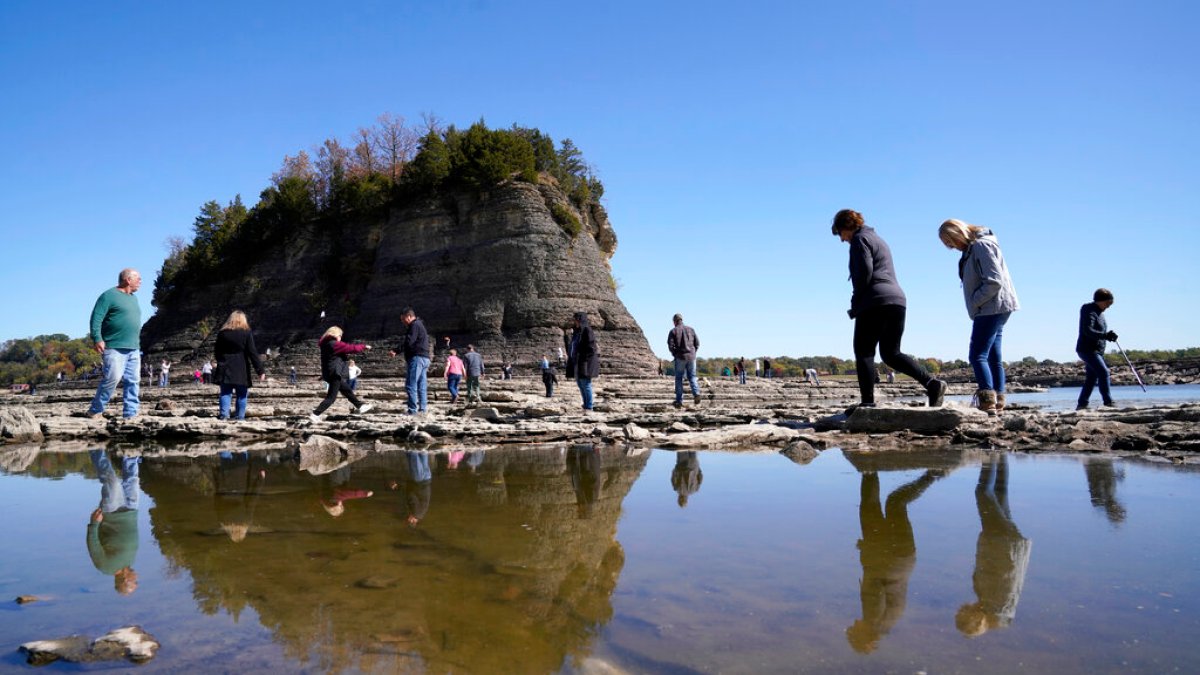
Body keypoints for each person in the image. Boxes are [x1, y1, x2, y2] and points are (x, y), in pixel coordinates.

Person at [832, 209, 947, 409]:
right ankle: (932, 383)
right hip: (897, 300)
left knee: (864, 352)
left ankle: (867, 404)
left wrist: (856, 301)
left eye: (841, 234)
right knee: (891, 353)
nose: (842, 240)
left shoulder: (860, 240)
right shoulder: (879, 239)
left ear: (847, 226)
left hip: (875, 301)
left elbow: (864, 274)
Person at [846, 468, 945, 654]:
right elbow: (875, 586)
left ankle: (929, 476)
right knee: (876, 505)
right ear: (861, 633)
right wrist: (867, 552)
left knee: (895, 504)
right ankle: (870, 468)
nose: (853, 623)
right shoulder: (873, 618)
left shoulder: (886, 625)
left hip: (904, 558)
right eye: (853, 628)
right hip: (887, 557)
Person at [939, 219, 1021, 416]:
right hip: (996, 306)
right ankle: (998, 400)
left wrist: (975, 301)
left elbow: (994, 281)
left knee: (977, 355)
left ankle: (987, 401)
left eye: (951, 242)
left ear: (958, 234)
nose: (951, 247)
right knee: (993, 355)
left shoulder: (981, 246)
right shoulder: (975, 248)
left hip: (991, 306)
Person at [956, 455, 1032, 637]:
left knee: (999, 492)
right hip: (1001, 542)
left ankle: (1000, 452)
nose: (964, 606)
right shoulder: (995, 603)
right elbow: (1001, 569)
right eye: (964, 610)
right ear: (976, 619)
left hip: (1009, 545)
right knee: (983, 493)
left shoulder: (996, 607)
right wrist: (992, 538)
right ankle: (989, 454)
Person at [86, 269, 143, 420]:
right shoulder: (108, 296)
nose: (141, 281)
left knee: (133, 380)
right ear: (127, 280)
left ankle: (130, 412)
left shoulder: (134, 298)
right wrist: (97, 338)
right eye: (138, 278)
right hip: (113, 346)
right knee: (113, 378)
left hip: (134, 347)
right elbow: (96, 318)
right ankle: (95, 409)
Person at [87, 449, 140, 595]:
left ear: (125, 580)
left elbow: (93, 545)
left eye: (135, 581)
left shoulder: (105, 567)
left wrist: (94, 524)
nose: (137, 577)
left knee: (112, 481)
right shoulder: (128, 562)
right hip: (131, 510)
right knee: (133, 478)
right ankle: (131, 449)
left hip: (112, 512)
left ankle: (95, 447)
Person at [310, 326, 373, 423]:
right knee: (331, 397)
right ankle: (315, 414)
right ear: (336, 334)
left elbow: (327, 361)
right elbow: (350, 348)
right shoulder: (334, 344)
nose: (340, 337)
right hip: (335, 373)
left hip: (331, 373)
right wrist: (364, 347)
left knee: (347, 390)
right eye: (340, 335)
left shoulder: (325, 345)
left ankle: (360, 406)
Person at [213, 310, 266, 421]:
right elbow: (252, 352)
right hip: (241, 367)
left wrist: (221, 361)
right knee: (242, 394)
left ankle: (224, 416)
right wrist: (260, 370)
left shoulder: (222, 333)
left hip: (225, 366)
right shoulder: (246, 333)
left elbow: (217, 351)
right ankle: (240, 417)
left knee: (225, 393)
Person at [1076, 288, 1119, 410]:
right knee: (1104, 372)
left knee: (1092, 377)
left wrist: (1109, 336)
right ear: (1100, 300)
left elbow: (1100, 333)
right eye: (1108, 303)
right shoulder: (1088, 309)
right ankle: (1108, 402)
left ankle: (1082, 404)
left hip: (1097, 351)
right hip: (1086, 349)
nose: (1109, 306)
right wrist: (1105, 335)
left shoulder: (1101, 313)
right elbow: (1087, 330)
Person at [389, 307, 430, 415]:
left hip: (417, 358)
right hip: (425, 358)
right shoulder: (420, 325)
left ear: (409, 316)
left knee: (411, 384)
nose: (402, 322)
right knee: (421, 385)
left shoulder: (414, 325)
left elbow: (409, 341)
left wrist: (396, 350)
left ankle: (412, 410)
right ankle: (423, 409)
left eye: (403, 319)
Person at [565, 312, 600, 411]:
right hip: (577, 362)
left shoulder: (587, 330)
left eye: (576, 319)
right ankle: (585, 405)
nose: (574, 321)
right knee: (580, 384)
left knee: (586, 383)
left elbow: (592, 347)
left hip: (585, 362)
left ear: (580, 320)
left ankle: (589, 406)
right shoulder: (577, 331)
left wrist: (583, 358)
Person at [667, 313, 701, 408]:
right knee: (692, 377)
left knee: (679, 379)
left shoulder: (673, 331)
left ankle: (679, 401)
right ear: (681, 319)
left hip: (680, 357)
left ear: (674, 321)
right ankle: (696, 393)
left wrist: (675, 354)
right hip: (692, 357)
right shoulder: (691, 329)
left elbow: (670, 345)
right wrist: (693, 353)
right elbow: (697, 343)